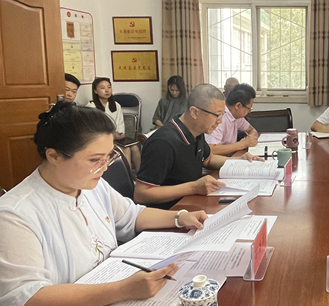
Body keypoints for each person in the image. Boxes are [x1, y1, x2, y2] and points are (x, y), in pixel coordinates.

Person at [0, 102, 208, 306]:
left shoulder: (90, 186)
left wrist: (179, 217)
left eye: (109, 156)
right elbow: (28, 302)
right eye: (95, 160)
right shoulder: (12, 215)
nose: (105, 167)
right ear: (53, 156)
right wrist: (123, 289)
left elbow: (131, 215)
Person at [134, 83, 263, 210]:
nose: (220, 121)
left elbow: (208, 160)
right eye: (217, 115)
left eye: (222, 115)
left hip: (191, 203)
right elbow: (141, 195)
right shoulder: (163, 143)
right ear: (194, 112)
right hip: (171, 211)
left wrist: (239, 161)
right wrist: (193, 187)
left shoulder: (197, 131)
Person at [87, 77, 140, 171]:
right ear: (95, 91)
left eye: (109, 87)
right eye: (102, 88)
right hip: (101, 139)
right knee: (126, 149)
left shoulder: (116, 105)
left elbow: (120, 123)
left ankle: (139, 174)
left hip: (117, 138)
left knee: (135, 148)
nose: (107, 90)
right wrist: (112, 136)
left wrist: (120, 134)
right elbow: (94, 129)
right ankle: (126, 175)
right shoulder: (91, 107)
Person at [206, 83, 260, 156]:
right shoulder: (219, 118)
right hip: (218, 161)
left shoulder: (237, 116)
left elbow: (252, 130)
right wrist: (242, 144)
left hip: (232, 157)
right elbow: (211, 150)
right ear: (238, 106)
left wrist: (251, 139)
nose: (249, 111)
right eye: (249, 108)